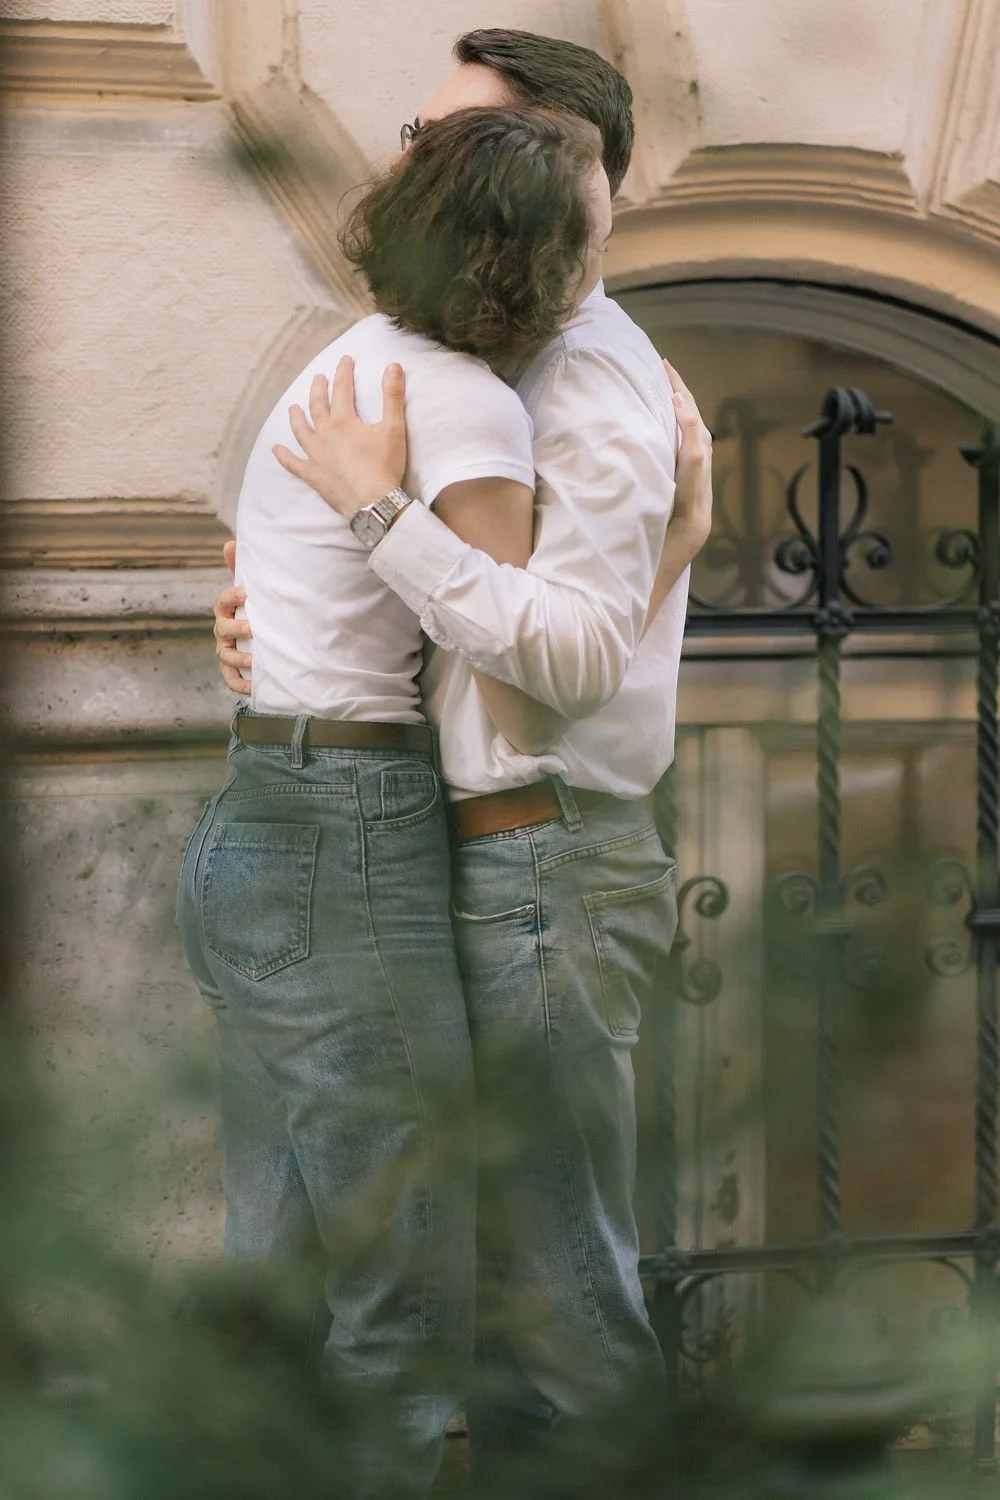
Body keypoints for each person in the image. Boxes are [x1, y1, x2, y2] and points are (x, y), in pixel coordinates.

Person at [211, 28, 715, 1494]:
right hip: (447, 848)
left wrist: (383, 518)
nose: (405, 159)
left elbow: (560, 658)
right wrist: (260, 636)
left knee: (558, 1299)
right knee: (444, 1286)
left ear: (551, 159)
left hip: (544, 860)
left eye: (443, 137)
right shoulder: (472, 361)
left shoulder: (598, 390)